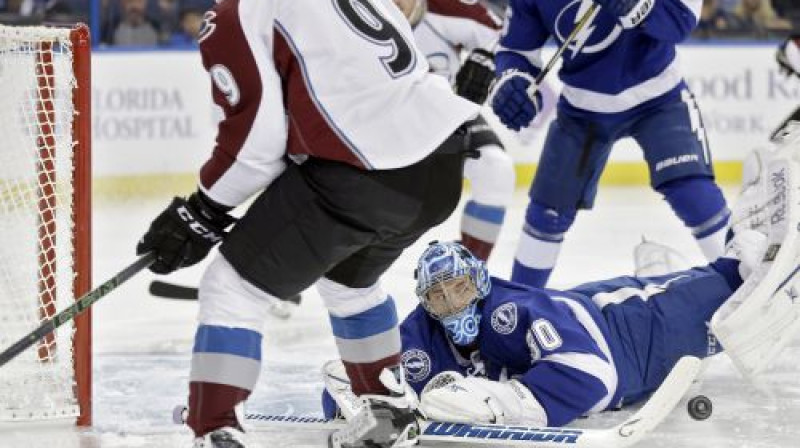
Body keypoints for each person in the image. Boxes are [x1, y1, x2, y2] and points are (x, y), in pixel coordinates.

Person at [135, 0, 480, 446]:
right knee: (348, 282)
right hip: (438, 168)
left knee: (232, 285)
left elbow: (257, 147)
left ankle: (215, 427)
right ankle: (388, 410)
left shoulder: (237, 14)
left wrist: (203, 208)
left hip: (365, 172)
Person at [323, 226, 768, 426]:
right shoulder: (421, 335)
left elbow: (594, 376)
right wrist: (352, 393)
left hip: (626, 335)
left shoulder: (511, 312)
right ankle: (662, 266)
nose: (450, 303)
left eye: (458, 288)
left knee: (726, 295)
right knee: (652, 287)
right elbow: (369, 378)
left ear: (478, 283)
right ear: (425, 303)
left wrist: (503, 402)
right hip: (587, 313)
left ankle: (744, 252)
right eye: (437, 296)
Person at [488, 0, 732, 289]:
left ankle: (746, 279)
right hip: (582, 109)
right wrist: (511, 79)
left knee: (692, 192)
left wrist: (640, 7)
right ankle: (519, 302)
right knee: (547, 213)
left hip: (659, 96)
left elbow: (681, 19)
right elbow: (515, 50)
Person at [394, 0, 515, 261]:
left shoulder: (449, 9)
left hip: (444, 117)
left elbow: (507, 38)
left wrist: (489, 63)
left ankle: (468, 276)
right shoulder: (353, 14)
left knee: (496, 170)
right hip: (376, 124)